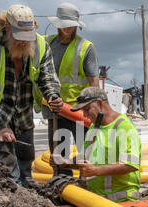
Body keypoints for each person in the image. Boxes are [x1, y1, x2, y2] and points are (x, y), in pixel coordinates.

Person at [0, 4, 63, 186]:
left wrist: (53, 95)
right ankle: (10, 196)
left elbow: (48, 77)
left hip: (24, 110)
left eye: (26, 36)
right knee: (7, 162)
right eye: (18, 35)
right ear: (7, 27)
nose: (23, 41)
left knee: (27, 159)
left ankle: (28, 196)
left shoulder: (40, 45)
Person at [52, 87, 141, 203]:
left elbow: (130, 165)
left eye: (87, 109)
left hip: (122, 202)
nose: (84, 115)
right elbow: (85, 159)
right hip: (97, 202)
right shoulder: (94, 128)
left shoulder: (124, 127)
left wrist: (95, 171)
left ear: (99, 103)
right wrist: (65, 163)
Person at [42, 2, 99, 175]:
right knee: (60, 158)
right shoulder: (46, 44)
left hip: (81, 113)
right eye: (64, 25)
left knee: (87, 157)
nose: (67, 29)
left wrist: (96, 110)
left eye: (70, 25)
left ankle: (88, 189)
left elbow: (93, 82)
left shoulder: (86, 48)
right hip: (56, 111)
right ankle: (63, 189)